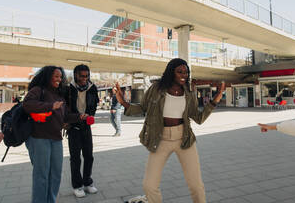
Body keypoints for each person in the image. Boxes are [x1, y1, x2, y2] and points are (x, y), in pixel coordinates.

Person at [115, 58, 225, 203]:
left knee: (196, 185)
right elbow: (142, 108)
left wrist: (215, 99)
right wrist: (122, 102)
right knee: (149, 186)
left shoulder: (189, 91)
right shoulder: (156, 89)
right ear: (170, 72)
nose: (183, 75)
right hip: (160, 138)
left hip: (184, 139)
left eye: (186, 72)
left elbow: (198, 118)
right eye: (179, 71)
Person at [23, 66, 83, 203]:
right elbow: (27, 105)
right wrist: (50, 106)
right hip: (39, 138)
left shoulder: (59, 95)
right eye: (56, 76)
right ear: (47, 76)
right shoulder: (38, 90)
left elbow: (65, 116)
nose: (59, 79)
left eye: (60, 77)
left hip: (56, 139)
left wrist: (79, 117)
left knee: (55, 174)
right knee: (41, 175)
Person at [65, 64, 99, 198]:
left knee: (89, 156)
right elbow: (65, 108)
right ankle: (77, 186)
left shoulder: (92, 88)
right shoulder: (68, 89)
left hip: (86, 126)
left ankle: (87, 182)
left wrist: (90, 115)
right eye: (81, 76)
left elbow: (94, 104)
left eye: (86, 76)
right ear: (75, 75)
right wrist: (75, 118)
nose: (84, 79)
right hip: (73, 126)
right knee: (75, 158)